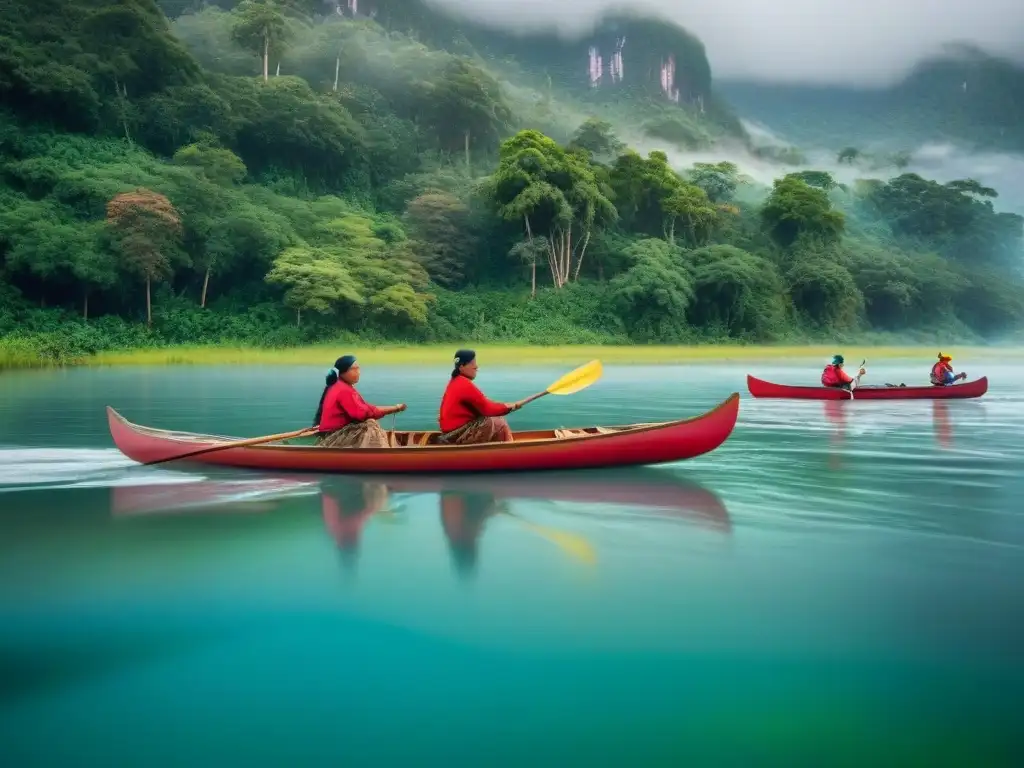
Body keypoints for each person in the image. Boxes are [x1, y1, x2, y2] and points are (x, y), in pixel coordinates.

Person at [313, 355, 406, 448]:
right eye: (355, 369)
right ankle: (378, 456)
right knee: (370, 425)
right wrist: (396, 408)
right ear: (343, 372)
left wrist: (395, 408)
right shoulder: (343, 389)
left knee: (369, 422)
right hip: (334, 435)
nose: (359, 372)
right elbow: (363, 413)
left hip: (333, 432)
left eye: (359, 368)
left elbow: (366, 408)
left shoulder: (339, 385)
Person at [437, 349, 526, 444]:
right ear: (462, 366)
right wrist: (509, 407)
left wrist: (508, 406)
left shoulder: (454, 382)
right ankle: (509, 449)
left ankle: (500, 447)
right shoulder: (463, 384)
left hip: (450, 434)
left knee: (494, 420)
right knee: (498, 421)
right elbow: (488, 409)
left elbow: (484, 405)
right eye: (473, 363)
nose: (476, 367)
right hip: (455, 436)